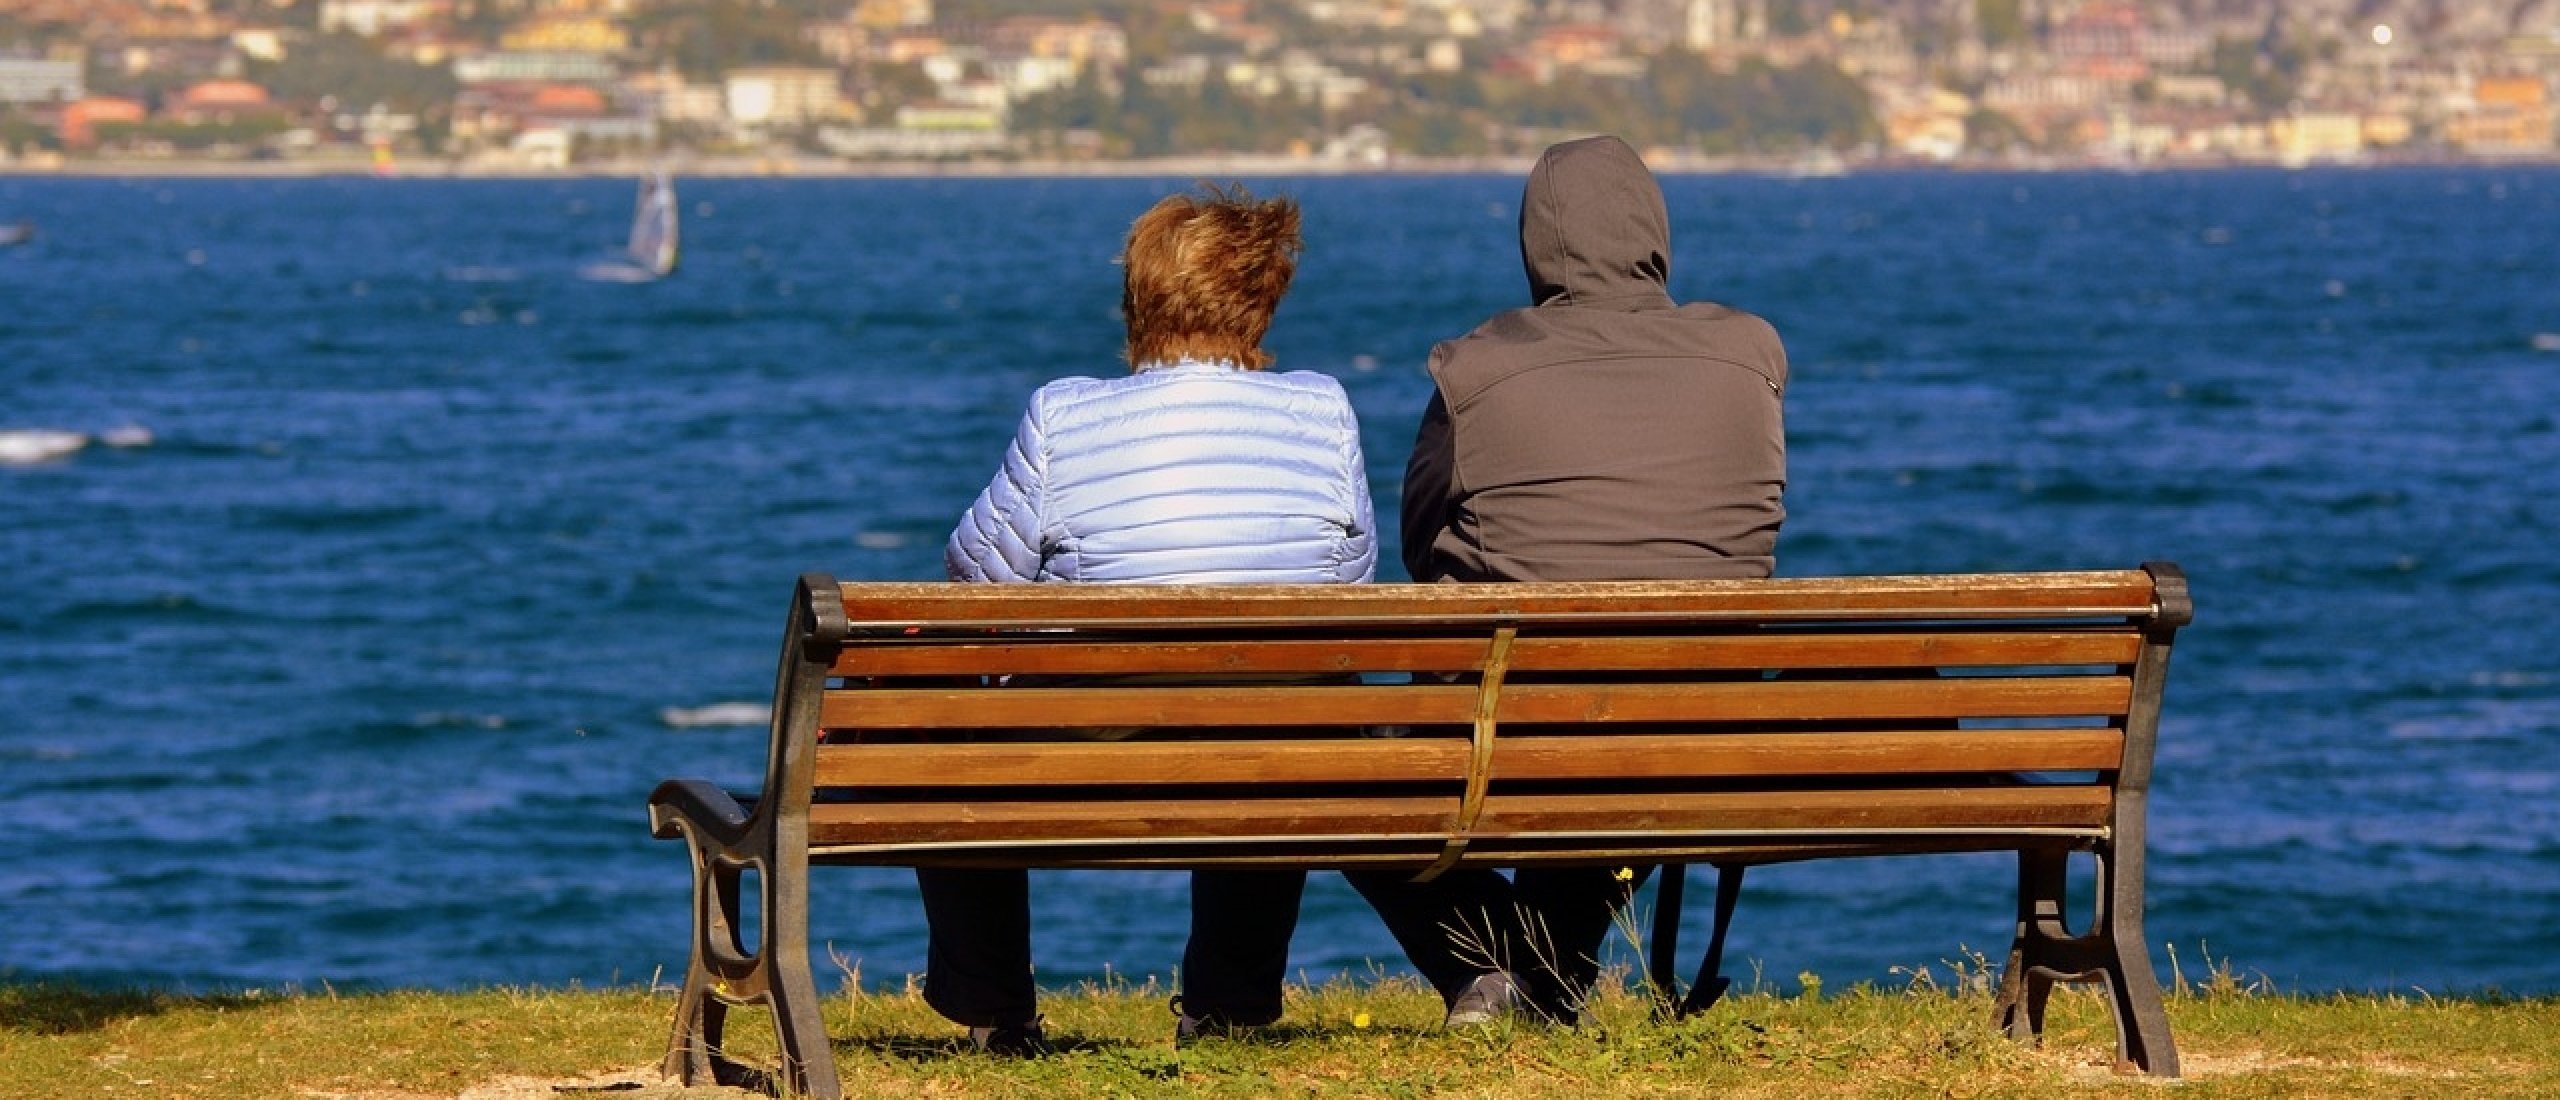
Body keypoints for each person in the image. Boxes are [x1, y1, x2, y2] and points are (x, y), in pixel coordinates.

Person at [1347, 135, 1788, 1025]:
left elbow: (1418, 536)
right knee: (1631, 726)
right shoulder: (1751, 356)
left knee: (1343, 755)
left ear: (1535, 243)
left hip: (1517, 716)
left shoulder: (1476, 369)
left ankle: (1503, 971)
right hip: (1707, 727)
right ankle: (1540, 980)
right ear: (1654, 230)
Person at [928, 184, 1377, 1054]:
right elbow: (1347, 580)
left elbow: (975, 571)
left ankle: (998, 1011)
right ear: (1262, 300)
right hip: (1274, 749)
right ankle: (1229, 1005)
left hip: (1094, 754)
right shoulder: (1324, 409)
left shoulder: (1064, 414)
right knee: (1281, 697)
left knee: (945, 733)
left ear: (1138, 300)